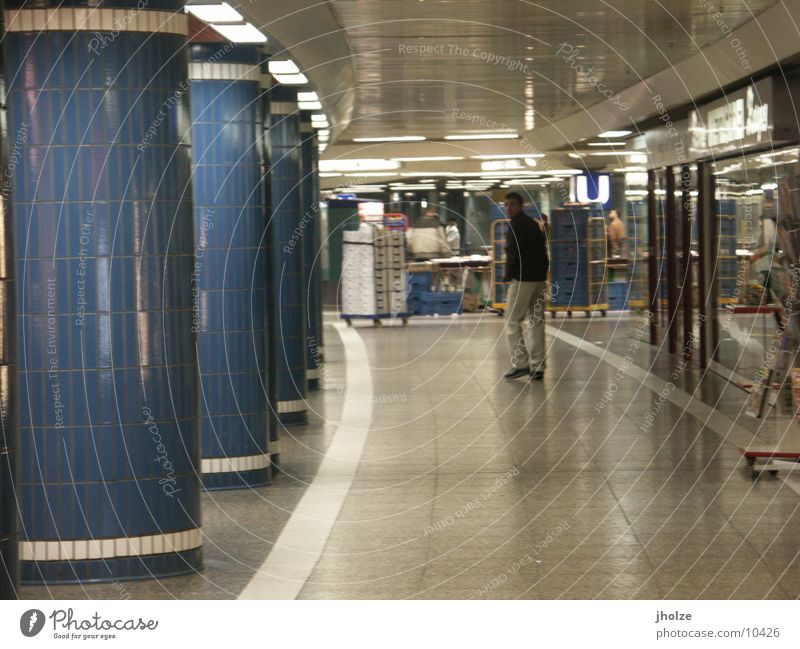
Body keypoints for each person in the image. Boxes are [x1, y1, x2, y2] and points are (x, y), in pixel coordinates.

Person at [503, 192, 549, 380]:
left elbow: (513, 254)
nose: (509, 208)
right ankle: (538, 367)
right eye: (506, 205)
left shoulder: (514, 226)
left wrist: (508, 275)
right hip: (539, 280)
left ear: (521, 206)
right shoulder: (533, 225)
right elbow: (543, 251)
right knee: (537, 321)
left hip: (523, 280)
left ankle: (520, 363)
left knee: (512, 320)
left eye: (512, 205)